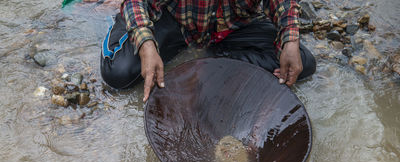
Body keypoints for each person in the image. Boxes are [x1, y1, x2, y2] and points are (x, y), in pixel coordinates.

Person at [101, 0, 316, 102]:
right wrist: (146, 44)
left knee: (302, 63)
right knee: (118, 73)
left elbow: (281, 3)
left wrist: (290, 39)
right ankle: (121, 25)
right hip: (176, 22)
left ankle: (217, 58)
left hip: (231, 27)